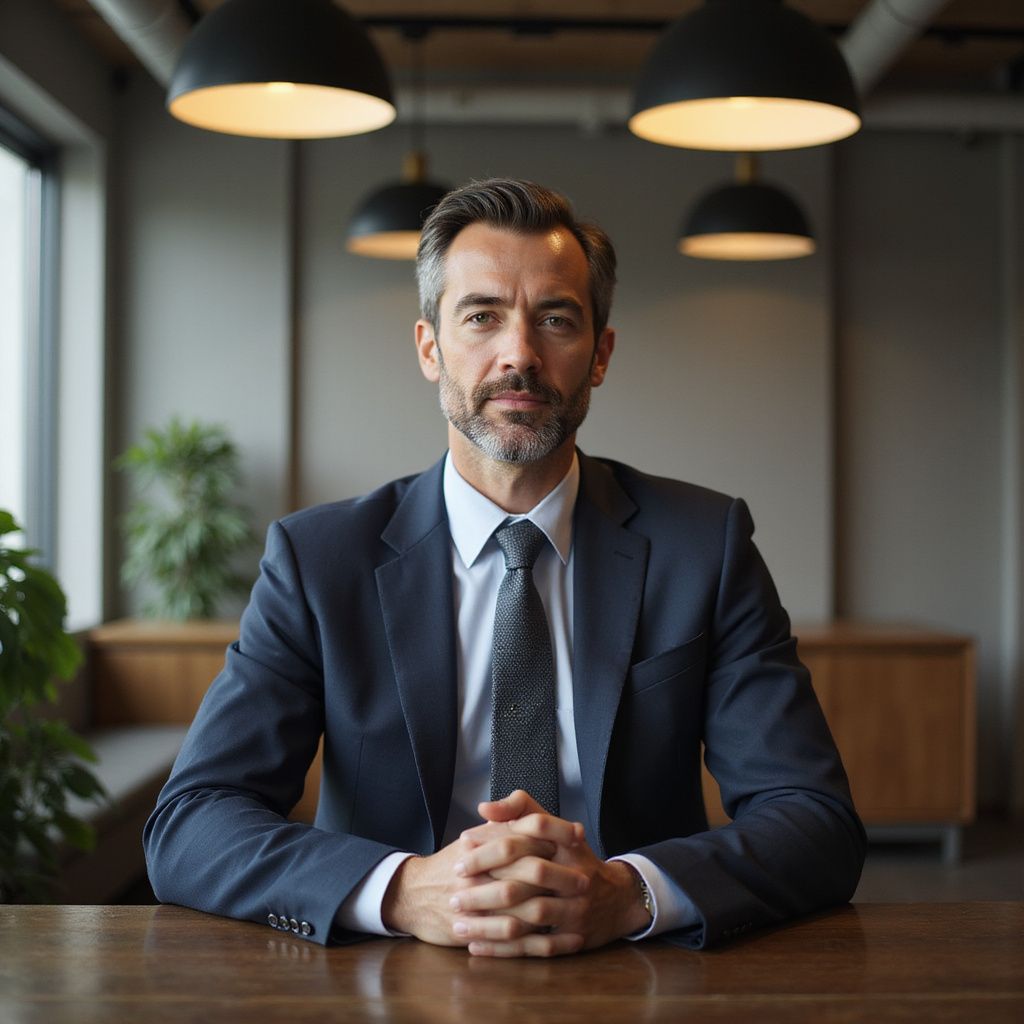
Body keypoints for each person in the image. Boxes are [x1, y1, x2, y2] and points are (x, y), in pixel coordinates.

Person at [144, 178, 865, 957]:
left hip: (636, 967)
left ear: (600, 355)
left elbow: (815, 819)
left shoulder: (702, 548)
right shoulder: (319, 562)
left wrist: (627, 894)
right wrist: (401, 890)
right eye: (481, 316)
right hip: (386, 973)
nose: (519, 354)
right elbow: (192, 823)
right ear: (430, 347)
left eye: (556, 319)